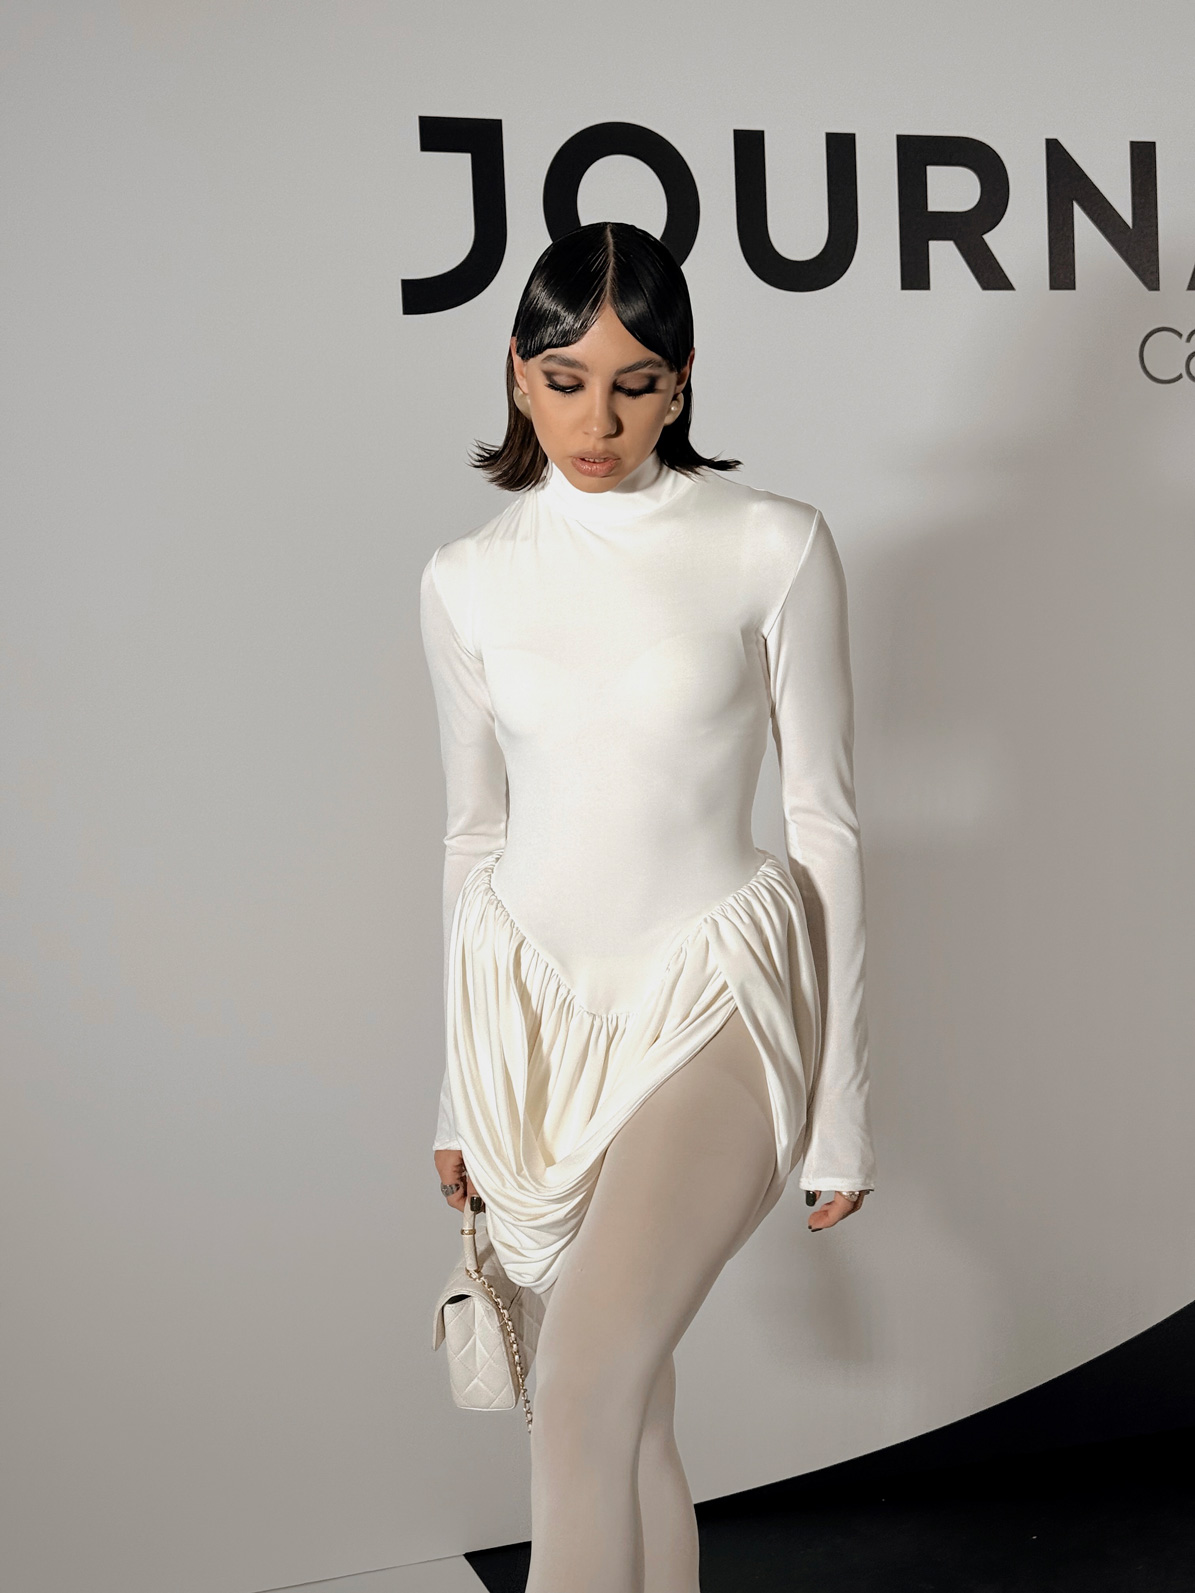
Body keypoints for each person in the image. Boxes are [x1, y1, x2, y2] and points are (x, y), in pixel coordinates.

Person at [420, 220, 875, 1593]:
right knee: (633, 1418)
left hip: (716, 1001)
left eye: (634, 384)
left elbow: (825, 825)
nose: (596, 421)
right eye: (564, 381)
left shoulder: (773, 544)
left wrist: (841, 1113)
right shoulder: (465, 579)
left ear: (681, 384)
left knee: (579, 1390)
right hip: (533, 1031)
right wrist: (457, 1097)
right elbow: (473, 837)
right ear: (517, 371)